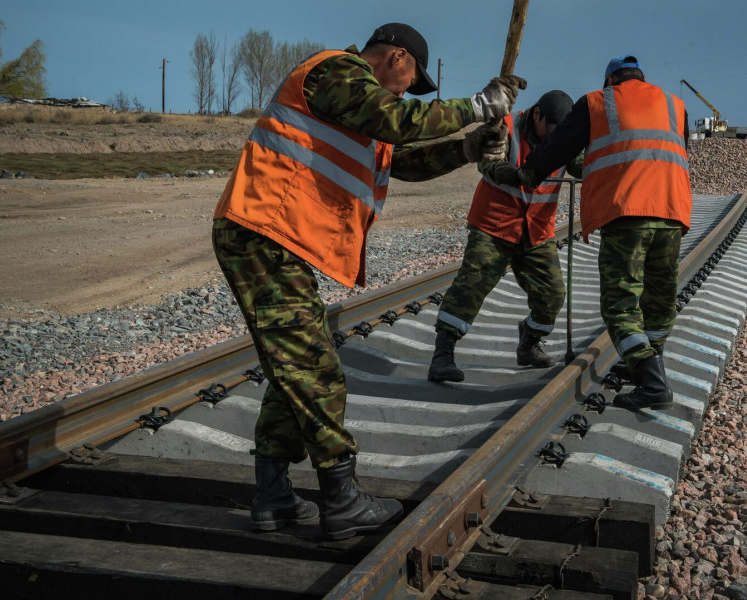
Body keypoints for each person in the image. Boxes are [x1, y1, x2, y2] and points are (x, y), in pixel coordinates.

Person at [211, 22, 526, 540]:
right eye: (409, 81)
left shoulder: (362, 108)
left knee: (294, 372)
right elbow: (396, 120)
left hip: (273, 238)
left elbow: (400, 158)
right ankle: (341, 499)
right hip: (260, 230)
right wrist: (478, 106)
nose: (405, 92)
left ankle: (273, 497)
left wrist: (466, 150)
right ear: (397, 58)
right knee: (318, 371)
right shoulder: (337, 72)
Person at [489, 55, 691, 411]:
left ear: (610, 78)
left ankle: (652, 381)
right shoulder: (675, 105)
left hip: (626, 210)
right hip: (673, 211)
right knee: (659, 299)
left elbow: (560, 148)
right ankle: (646, 362)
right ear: (642, 77)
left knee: (620, 305)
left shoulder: (599, 101)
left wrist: (529, 173)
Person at [428, 90, 583, 383]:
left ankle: (529, 341)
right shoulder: (506, 127)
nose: (551, 137)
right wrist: (513, 174)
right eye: (547, 129)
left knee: (552, 294)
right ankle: (442, 356)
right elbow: (487, 162)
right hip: (494, 226)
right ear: (537, 114)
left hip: (536, 231)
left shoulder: (564, 138)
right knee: (471, 285)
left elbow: (582, 166)